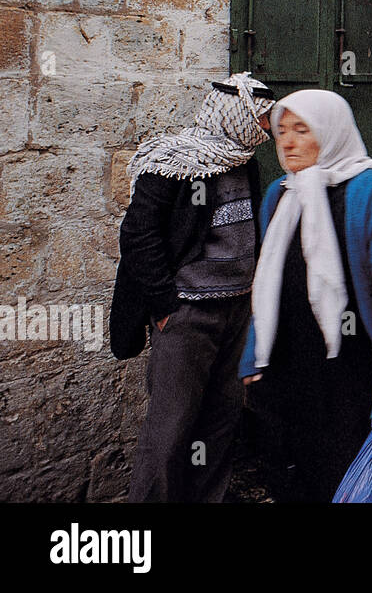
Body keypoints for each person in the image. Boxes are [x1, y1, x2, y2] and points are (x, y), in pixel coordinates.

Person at [238, 90, 372, 503]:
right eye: (281, 130)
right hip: (286, 374)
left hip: (349, 384)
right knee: (289, 479)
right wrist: (254, 354)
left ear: (331, 132)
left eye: (301, 130)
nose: (286, 142)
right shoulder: (280, 195)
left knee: (343, 483)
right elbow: (266, 286)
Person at [115, 72, 276, 502]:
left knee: (221, 420)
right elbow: (137, 235)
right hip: (187, 315)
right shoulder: (174, 162)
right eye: (259, 119)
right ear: (235, 114)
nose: (265, 130)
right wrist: (166, 306)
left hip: (236, 312)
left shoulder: (245, 162)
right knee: (170, 427)